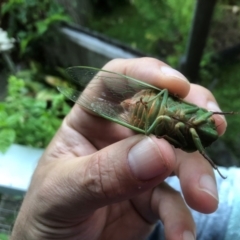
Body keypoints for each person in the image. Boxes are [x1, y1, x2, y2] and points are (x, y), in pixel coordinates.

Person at [11, 58, 240, 240]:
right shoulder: (196, 118)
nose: (206, 124)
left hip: (152, 118)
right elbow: (183, 114)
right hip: (152, 104)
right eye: (210, 118)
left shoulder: (190, 139)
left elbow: (182, 135)